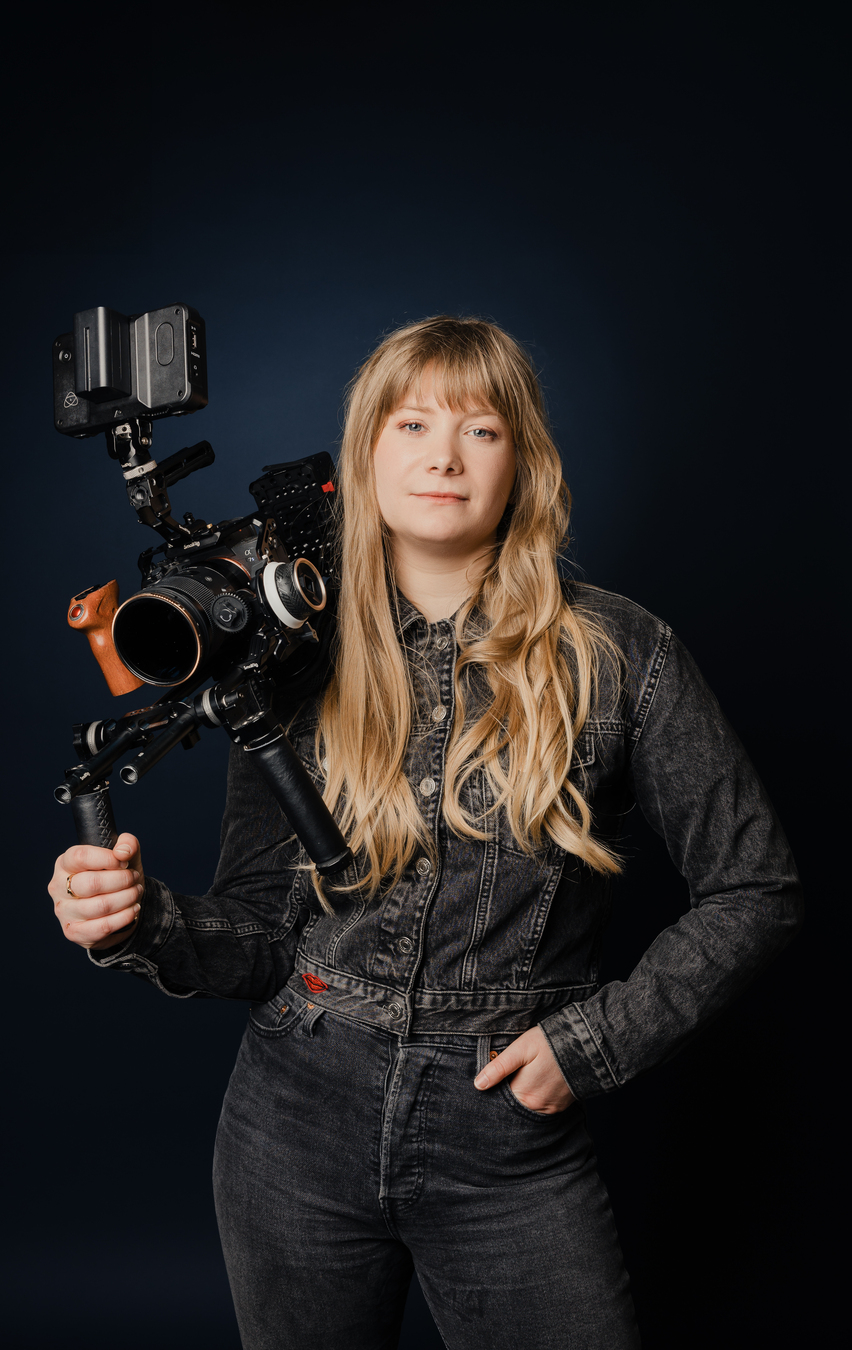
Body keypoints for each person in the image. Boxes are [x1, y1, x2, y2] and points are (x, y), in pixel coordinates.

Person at [48, 316, 803, 1350]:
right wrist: (138, 924)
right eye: (411, 424)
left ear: (524, 464)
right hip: (291, 1123)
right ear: (368, 456)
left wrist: (594, 1044)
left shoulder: (621, 654)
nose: (442, 454)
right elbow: (266, 935)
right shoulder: (293, 661)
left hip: (508, 1142)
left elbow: (756, 887)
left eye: (481, 430)